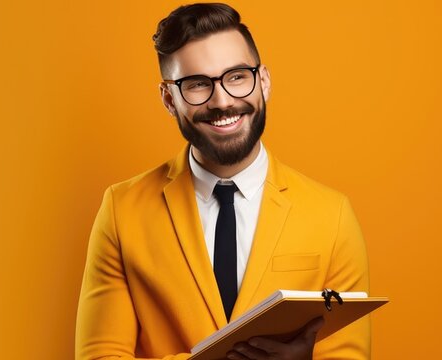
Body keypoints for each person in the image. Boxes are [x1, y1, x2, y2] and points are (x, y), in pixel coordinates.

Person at [74, 3, 371, 360]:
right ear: (169, 99)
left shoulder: (331, 214)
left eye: (237, 77)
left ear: (263, 80)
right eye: (197, 84)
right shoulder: (122, 210)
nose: (222, 101)